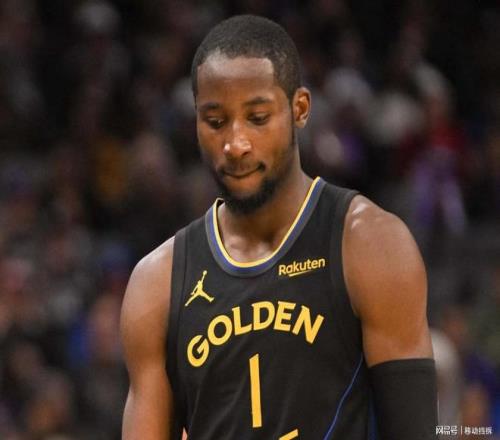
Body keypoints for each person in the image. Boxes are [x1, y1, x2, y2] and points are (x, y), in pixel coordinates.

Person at [120, 15, 437, 440]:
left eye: (257, 117)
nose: (235, 144)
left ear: (299, 109)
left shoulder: (370, 244)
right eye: (215, 121)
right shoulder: (156, 283)